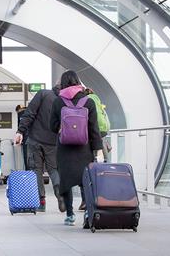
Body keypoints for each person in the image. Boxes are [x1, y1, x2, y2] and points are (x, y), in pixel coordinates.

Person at [50, 70, 103, 226]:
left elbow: (52, 126)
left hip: (65, 148)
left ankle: (70, 214)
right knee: (85, 181)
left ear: (63, 83)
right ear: (78, 82)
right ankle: (88, 213)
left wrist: (61, 127)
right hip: (84, 148)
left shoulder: (58, 102)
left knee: (65, 180)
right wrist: (97, 149)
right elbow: (94, 129)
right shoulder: (88, 102)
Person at [14, 84, 65, 213]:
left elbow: (29, 113)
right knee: (54, 169)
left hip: (35, 139)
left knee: (36, 170)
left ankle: (41, 202)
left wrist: (20, 131)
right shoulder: (64, 100)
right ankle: (60, 194)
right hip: (53, 141)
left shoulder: (43, 94)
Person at [15, 105, 28, 170]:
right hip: (36, 139)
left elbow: (20, 128)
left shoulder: (20, 114)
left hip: (25, 139)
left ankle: (28, 174)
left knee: (26, 157)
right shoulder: (32, 111)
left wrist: (19, 140)